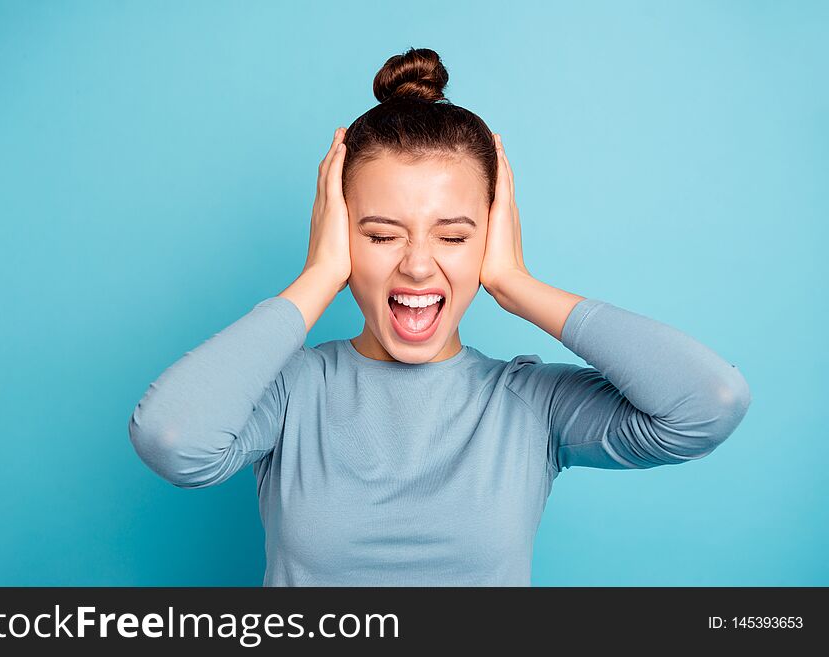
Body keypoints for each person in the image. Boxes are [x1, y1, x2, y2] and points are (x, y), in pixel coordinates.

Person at [128, 48, 751, 586]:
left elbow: (709, 403)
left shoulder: (527, 403)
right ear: (341, 237)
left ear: (490, 237)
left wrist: (515, 283)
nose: (419, 266)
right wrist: (317, 278)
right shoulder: (294, 394)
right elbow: (174, 441)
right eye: (380, 235)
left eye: (453, 237)